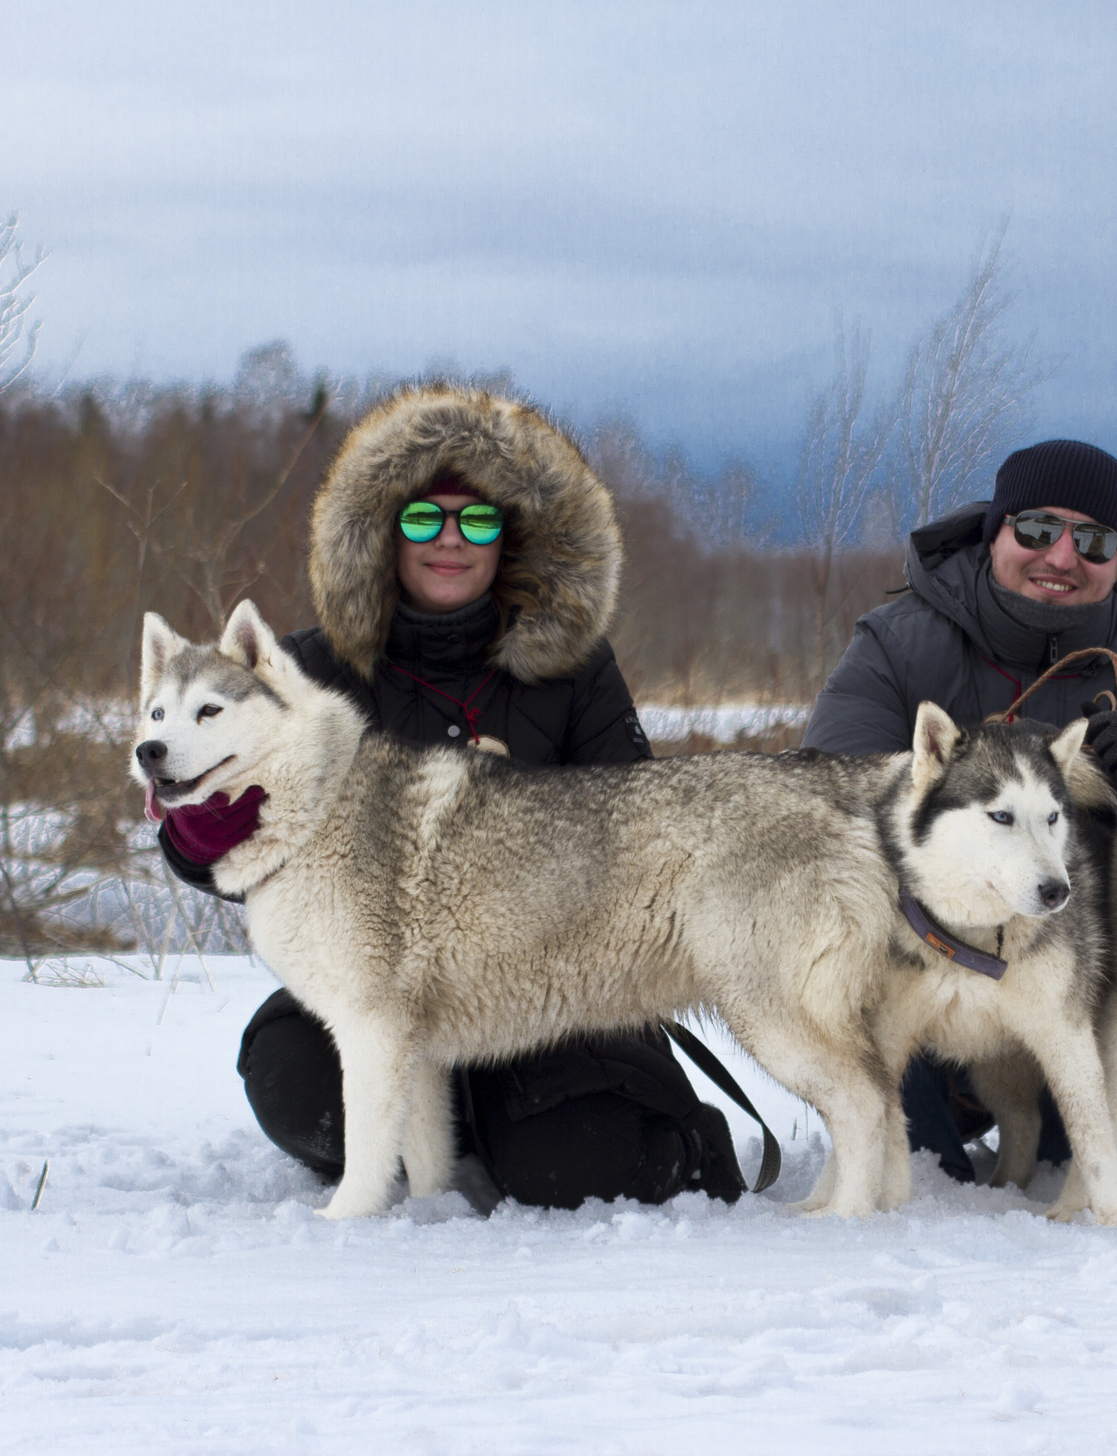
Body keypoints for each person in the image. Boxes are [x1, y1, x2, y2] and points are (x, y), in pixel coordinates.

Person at [156, 384, 744, 1210]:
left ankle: (645, 1135)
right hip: (383, 979)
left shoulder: (575, 666)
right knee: (293, 1084)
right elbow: (195, 827)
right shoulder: (306, 670)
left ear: (513, 538)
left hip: (549, 982)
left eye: (477, 521)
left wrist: (515, 807)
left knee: (580, 1169)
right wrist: (204, 825)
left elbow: (641, 819)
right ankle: (418, 1141)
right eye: (424, 519)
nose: (450, 542)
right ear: (384, 533)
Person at [802, 437, 1117, 1182]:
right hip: (924, 972)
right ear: (995, 532)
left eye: (1095, 541)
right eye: (1037, 530)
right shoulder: (902, 643)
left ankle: (1069, 1122)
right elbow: (827, 799)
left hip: (1092, 980)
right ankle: (928, 1107)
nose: (1062, 558)